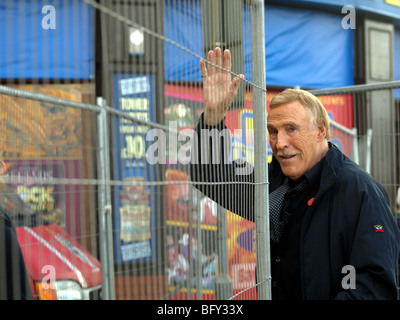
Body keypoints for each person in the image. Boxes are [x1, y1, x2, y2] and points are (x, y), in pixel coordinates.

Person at [190, 47, 400, 300]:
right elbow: (211, 176)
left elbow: (374, 290)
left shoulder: (359, 191)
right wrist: (213, 115)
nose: (279, 143)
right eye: (273, 131)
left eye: (291, 129)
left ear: (321, 131)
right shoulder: (272, 183)